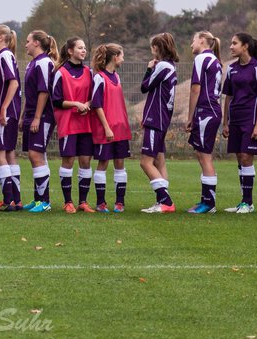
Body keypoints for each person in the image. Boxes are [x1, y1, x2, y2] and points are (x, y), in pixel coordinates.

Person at [220, 32, 257, 213]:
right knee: (240, 157)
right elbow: (228, 97)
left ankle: (247, 203)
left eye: (234, 43)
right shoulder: (231, 68)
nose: (231, 46)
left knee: (247, 156)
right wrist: (225, 122)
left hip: (251, 118)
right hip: (236, 119)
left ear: (245, 46)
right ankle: (244, 202)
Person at [52, 37, 94, 213]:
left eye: (84, 48)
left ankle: (83, 202)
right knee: (68, 160)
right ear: (70, 51)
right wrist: (76, 104)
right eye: (80, 48)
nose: (83, 50)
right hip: (68, 123)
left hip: (86, 122)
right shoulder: (60, 73)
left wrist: (88, 104)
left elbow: (95, 97)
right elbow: (56, 101)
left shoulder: (89, 72)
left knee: (85, 161)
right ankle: (68, 201)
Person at [139, 33, 180, 213]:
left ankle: (166, 201)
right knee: (159, 161)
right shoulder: (170, 66)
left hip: (156, 117)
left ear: (157, 48)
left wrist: (149, 69)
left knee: (145, 162)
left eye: (152, 47)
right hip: (162, 117)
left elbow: (144, 87)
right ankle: (162, 202)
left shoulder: (162, 65)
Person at [88, 43, 130, 213]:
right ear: (115, 57)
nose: (123, 58)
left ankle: (120, 202)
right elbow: (96, 105)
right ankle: (101, 203)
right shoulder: (99, 77)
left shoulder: (117, 77)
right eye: (122, 55)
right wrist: (106, 128)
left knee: (120, 163)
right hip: (106, 129)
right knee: (103, 163)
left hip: (120, 128)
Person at [186, 31, 224, 214]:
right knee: (203, 155)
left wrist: (190, 116)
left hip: (205, 112)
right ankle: (207, 201)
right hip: (212, 110)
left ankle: (208, 204)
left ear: (202, 40)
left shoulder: (202, 59)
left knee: (205, 156)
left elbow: (195, 89)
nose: (191, 44)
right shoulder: (215, 60)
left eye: (193, 40)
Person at [20, 30, 57, 212]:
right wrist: (23, 116)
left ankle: (45, 201)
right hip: (31, 115)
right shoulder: (32, 64)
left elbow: (44, 91)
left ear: (36, 43)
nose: (25, 44)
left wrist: (36, 117)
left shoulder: (44, 62)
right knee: (34, 155)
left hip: (42, 116)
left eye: (27, 41)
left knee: (36, 155)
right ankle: (37, 200)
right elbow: (31, 93)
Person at [0, 24, 23, 210]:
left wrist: (3, 108)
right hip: (9, 111)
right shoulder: (4, 56)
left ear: (1, 37)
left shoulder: (4, 55)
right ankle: (15, 200)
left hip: (5, 112)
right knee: (9, 153)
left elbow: (14, 84)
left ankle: (9, 199)